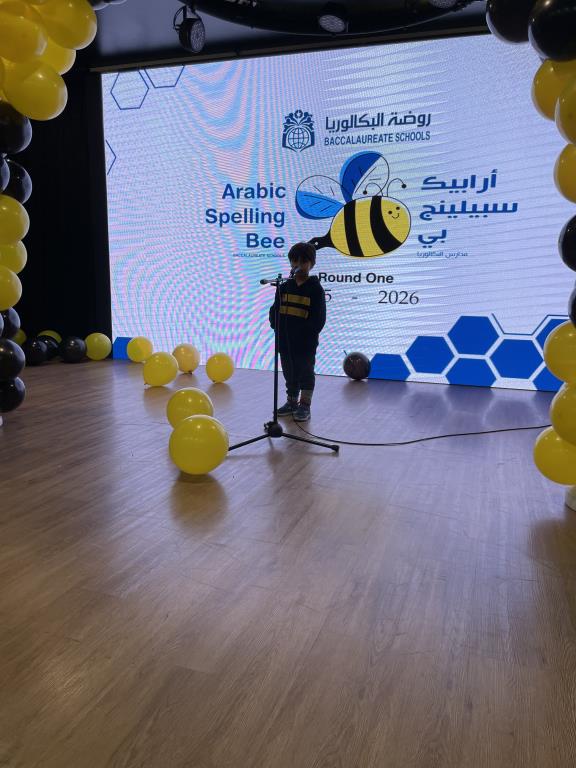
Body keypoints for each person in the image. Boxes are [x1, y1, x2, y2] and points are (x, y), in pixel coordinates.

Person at [269, 241, 326, 422]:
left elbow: (318, 319)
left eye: (303, 262)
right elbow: (275, 309)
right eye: (295, 261)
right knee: (289, 372)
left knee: (305, 373)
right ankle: (291, 401)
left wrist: (305, 335)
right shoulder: (284, 286)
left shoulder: (315, 289)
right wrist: (276, 326)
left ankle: (305, 405)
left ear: (312, 264)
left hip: (305, 343)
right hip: (285, 341)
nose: (298, 265)